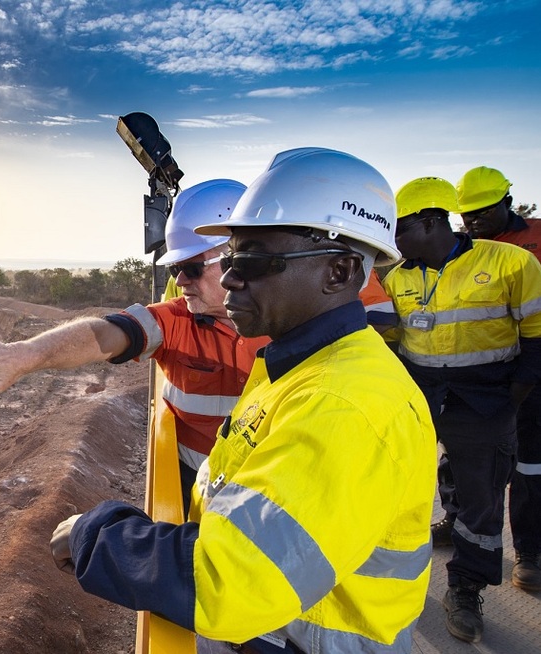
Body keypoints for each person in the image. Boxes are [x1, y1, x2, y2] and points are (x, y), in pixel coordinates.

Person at [51, 147, 436, 653]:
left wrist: (93, 534)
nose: (230, 278)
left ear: (339, 273)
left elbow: (228, 583)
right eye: (229, 258)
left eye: (253, 260)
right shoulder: (299, 367)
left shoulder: (344, 405)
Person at [0, 179, 266, 516]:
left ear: (239, 259)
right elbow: (105, 334)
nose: (180, 282)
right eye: (176, 269)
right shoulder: (174, 321)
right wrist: (24, 355)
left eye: (191, 268)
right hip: (196, 499)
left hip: (271, 498)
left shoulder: (297, 329)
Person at [382, 176, 541, 643]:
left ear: (432, 223)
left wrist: (512, 401)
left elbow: (536, 337)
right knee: (402, 485)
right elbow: (390, 347)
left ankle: (466, 587)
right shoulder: (397, 278)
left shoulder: (511, 262)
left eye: (400, 229)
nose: (394, 241)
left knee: (483, 499)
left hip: (487, 400)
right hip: (423, 397)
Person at [456, 166, 541, 592]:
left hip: (532, 369)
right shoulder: (464, 249)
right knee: (463, 457)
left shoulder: (537, 237)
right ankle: (455, 521)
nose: (473, 220)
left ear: (507, 201)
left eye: (482, 211)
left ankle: (530, 551)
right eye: (466, 214)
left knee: (529, 464)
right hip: (481, 377)